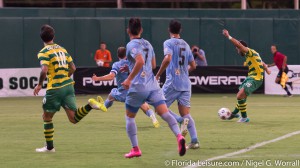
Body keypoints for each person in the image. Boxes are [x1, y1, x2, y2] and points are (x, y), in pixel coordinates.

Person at [34, 25, 107, 153]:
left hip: (55, 88)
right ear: (53, 36)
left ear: (41, 38)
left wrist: (39, 84)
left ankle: (50, 147)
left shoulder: (43, 52)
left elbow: (44, 70)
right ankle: (90, 105)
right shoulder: (62, 49)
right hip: (68, 86)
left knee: (46, 117)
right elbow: (73, 68)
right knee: (73, 119)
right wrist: (65, 77)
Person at [121, 17, 186, 158]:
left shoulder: (131, 45)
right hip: (153, 86)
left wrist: (129, 79)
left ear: (128, 30)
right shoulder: (148, 44)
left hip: (138, 87)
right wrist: (130, 66)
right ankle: (179, 136)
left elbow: (140, 61)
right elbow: (153, 64)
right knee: (165, 113)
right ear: (141, 30)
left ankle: (135, 149)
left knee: (130, 117)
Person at [155, 20, 199, 149]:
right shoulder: (186, 44)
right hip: (186, 84)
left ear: (169, 30)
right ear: (180, 30)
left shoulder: (168, 43)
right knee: (186, 114)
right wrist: (185, 72)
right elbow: (194, 66)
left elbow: (168, 58)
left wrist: (158, 74)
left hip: (173, 82)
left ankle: (179, 121)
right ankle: (195, 141)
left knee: (158, 108)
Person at [92, 47, 160, 128]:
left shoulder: (117, 64)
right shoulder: (133, 63)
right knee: (144, 106)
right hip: (136, 91)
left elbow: (111, 76)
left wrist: (97, 78)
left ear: (117, 55)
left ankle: (104, 106)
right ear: (127, 54)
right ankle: (153, 118)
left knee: (111, 95)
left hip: (123, 93)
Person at [222, 29, 271, 123]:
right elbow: (261, 61)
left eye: (238, 49)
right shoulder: (253, 54)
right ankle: (234, 113)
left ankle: (244, 118)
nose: (237, 50)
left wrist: (228, 36)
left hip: (255, 79)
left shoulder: (249, 52)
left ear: (242, 47)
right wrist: (267, 69)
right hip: (251, 77)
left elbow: (238, 44)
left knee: (240, 95)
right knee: (242, 95)